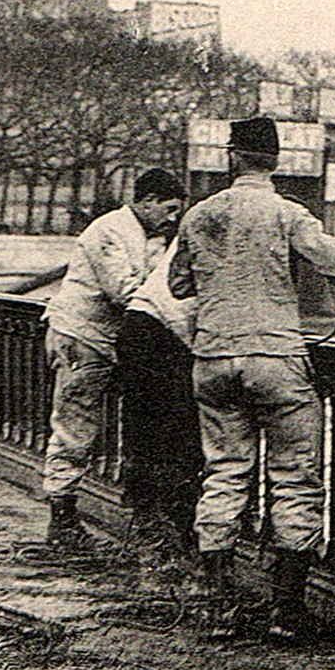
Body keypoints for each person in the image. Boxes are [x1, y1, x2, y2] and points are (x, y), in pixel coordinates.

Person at [169, 117, 335, 641]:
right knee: (294, 479)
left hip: (212, 358)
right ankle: (285, 612)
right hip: (276, 358)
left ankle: (215, 605)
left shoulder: (199, 215)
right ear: (275, 162)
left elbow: (179, 283)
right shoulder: (288, 213)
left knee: (225, 472)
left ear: (233, 156)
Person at [40, 168, 187, 548]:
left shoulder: (137, 233)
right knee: (75, 425)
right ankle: (62, 516)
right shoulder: (110, 231)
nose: (171, 218)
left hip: (101, 339)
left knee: (84, 423)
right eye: (168, 208)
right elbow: (126, 291)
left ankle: (70, 511)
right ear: (147, 200)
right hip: (82, 337)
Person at [118, 233, 204, 564]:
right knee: (176, 436)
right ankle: (167, 532)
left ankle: (149, 524)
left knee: (145, 434)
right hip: (160, 333)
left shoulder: (204, 224)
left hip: (142, 324)